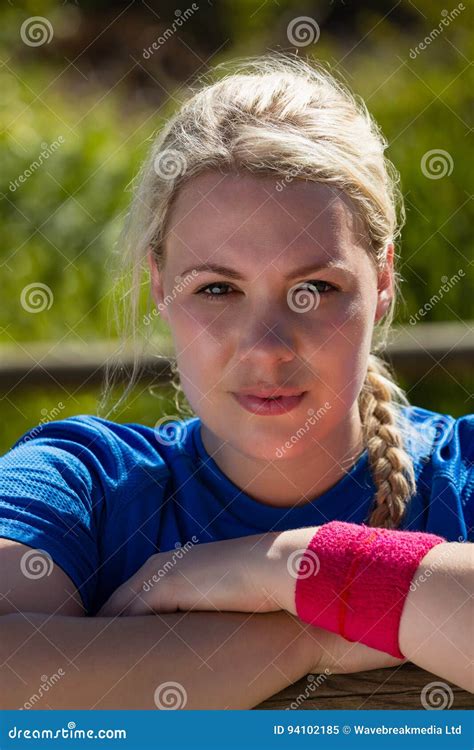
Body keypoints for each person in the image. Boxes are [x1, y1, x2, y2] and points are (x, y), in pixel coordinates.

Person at [0, 53, 472, 710]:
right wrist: (304, 637)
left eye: (315, 288)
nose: (267, 348)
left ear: (384, 279)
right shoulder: (84, 485)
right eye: (218, 289)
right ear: (160, 284)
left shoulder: (465, 472)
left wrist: (295, 566)